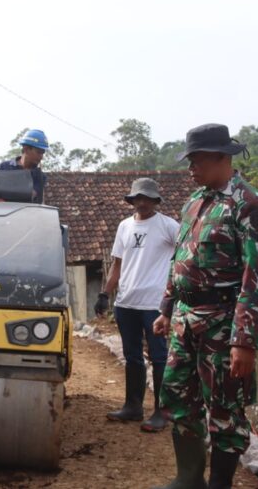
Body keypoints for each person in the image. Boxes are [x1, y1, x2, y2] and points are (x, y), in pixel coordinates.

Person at [152, 124, 258, 489]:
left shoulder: (251, 206)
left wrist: (245, 340)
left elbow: (257, 278)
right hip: (185, 322)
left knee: (225, 412)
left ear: (222, 157)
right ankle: (188, 478)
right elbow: (180, 261)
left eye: (197, 160)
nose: (191, 168)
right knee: (176, 397)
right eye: (189, 161)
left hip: (223, 326)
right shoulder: (194, 202)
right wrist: (165, 308)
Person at [94, 178, 179, 432]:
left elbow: (186, 255)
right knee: (132, 356)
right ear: (131, 200)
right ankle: (133, 406)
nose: (142, 203)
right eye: (137, 198)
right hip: (126, 302)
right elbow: (117, 265)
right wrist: (105, 294)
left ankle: (162, 412)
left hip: (154, 303)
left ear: (155, 200)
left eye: (147, 198)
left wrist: (172, 295)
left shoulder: (169, 226)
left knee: (159, 356)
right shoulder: (124, 226)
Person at [0, 129, 49, 203]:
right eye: (39, 152)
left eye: (43, 153)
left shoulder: (40, 176)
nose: (41, 157)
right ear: (26, 149)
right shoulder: (4, 167)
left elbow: (32, 197)